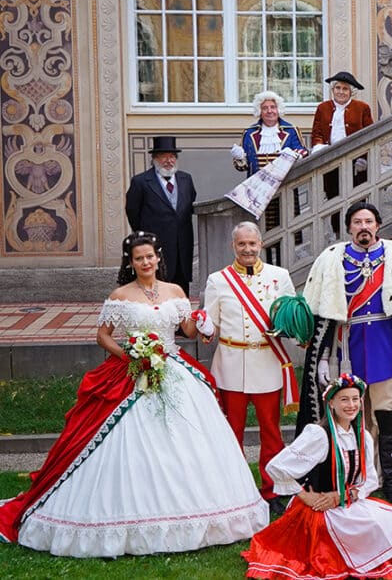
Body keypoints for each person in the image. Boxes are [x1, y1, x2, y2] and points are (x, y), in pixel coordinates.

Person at [0, 231, 267, 556]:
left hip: (173, 367)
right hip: (134, 371)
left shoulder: (174, 290)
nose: (145, 262)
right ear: (131, 262)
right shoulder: (120, 295)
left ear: (158, 257)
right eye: (139, 258)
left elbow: (187, 330)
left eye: (150, 256)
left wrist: (201, 322)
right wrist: (129, 355)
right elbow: (102, 336)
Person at [298, 201, 392, 505]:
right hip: (348, 348)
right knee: (352, 416)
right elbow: (325, 315)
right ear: (349, 228)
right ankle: (356, 479)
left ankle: (391, 483)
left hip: (385, 347)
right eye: (357, 222)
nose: (363, 227)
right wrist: (324, 357)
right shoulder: (332, 259)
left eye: (368, 221)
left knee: (386, 416)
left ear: (378, 225)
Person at [243, 373, 392, 580]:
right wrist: (305, 496)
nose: (351, 405)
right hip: (320, 507)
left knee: (391, 517)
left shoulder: (362, 436)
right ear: (331, 403)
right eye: (344, 399)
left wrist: (345, 495)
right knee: (367, 527)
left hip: (347, 501)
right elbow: (276, 467)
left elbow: (370, 480)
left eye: (355, 399)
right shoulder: (319, 435)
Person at [201, 222, 298, 511]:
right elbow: (211, 324)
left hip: (267, 362)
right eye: (241, 244)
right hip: (231, 365)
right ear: (233, 246)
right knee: (233, 431)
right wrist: (204, 325)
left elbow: (291, 315)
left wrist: (298, 329)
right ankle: (236, 490)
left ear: (261, 244)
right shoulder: (218, 280)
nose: (247, 249)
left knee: (271, 431)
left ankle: (272, 489)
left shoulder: (279, 276)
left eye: (252, 244)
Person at [124, 135, 196, 296]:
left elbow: (190, 203)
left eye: (172, 156)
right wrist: (146, 237)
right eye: (164, 156)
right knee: (157, 289)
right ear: (155, 159)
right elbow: (132, 212)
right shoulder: (141, 182)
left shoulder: (186, 179)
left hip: (182, 247)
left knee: (181, 291)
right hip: (156, 247)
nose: (169, 161)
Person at [232, 90, 308, 177]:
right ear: (260, 111)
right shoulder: (249, 133)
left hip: (286, 182)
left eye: (273, 107)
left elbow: (304, 155)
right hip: (256, 183)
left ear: (278, 110)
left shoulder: (291, 131)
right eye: (265, 108)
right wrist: (239, 158)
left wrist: (291, 155)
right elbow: (243, 168)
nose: (269, 111)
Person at [310, 71, 373, 152]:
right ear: (333, 89)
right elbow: (317, 134)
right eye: (338, 88)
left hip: (355, 153)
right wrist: (320, 147)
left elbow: (369, 133)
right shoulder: (323, 107)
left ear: (351, 92)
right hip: (327, 153)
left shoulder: (362, 108)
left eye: (345, 89)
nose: (341, 92)